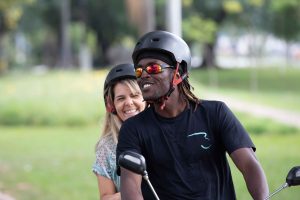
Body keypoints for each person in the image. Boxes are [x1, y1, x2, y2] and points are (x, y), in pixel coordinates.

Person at [116, 30, 269, 200]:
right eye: (138, 71)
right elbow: (131, 189)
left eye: (153, 68)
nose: (144, 74)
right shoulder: (133, 129)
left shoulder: (215, 113)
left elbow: (249, 165)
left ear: (178, 71)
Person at [93, 63, 146, 200]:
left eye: (134, 95)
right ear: (112, 106)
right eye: (121, 98)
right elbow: (106, 197)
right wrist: (133, 194)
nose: (129, 102)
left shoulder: (161, 133)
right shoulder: (107, 147)